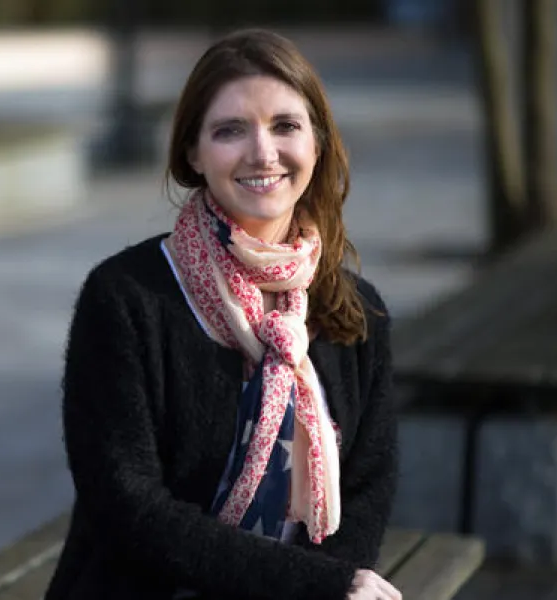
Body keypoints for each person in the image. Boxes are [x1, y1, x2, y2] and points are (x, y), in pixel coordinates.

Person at [46, 29, 401, 600]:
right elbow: (126, 505)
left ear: (318, 143)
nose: (263, 153)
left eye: (285, 125)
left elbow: (367, 489)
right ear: (193, 153)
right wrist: (313, 585)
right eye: (230, 130)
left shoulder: (360, 310)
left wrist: (326, 586)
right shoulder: (124, 298)